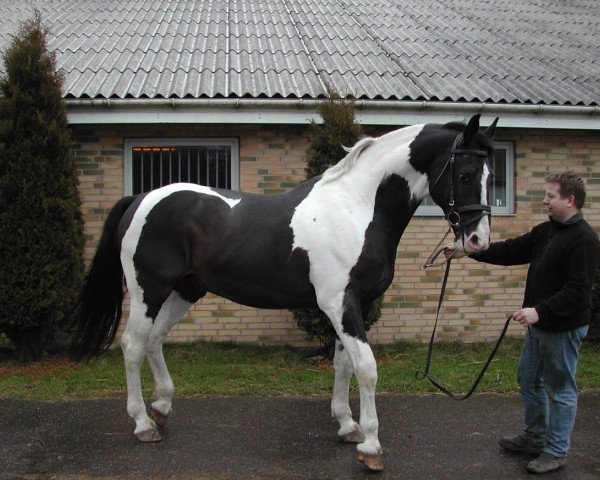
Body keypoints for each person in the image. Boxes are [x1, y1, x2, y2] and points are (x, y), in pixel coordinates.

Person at [444, 171, 599, 474]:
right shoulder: (546, 230)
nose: (545, 201)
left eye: (550, 196)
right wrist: (469, 250)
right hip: (539, 326)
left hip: (562, 329)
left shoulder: (584, 239)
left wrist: (538, 311)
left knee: (561, 389)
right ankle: (534, 436)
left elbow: (578, 292)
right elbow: (511, 250)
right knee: (529, 380)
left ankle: (556, 450)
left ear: (570, 200)